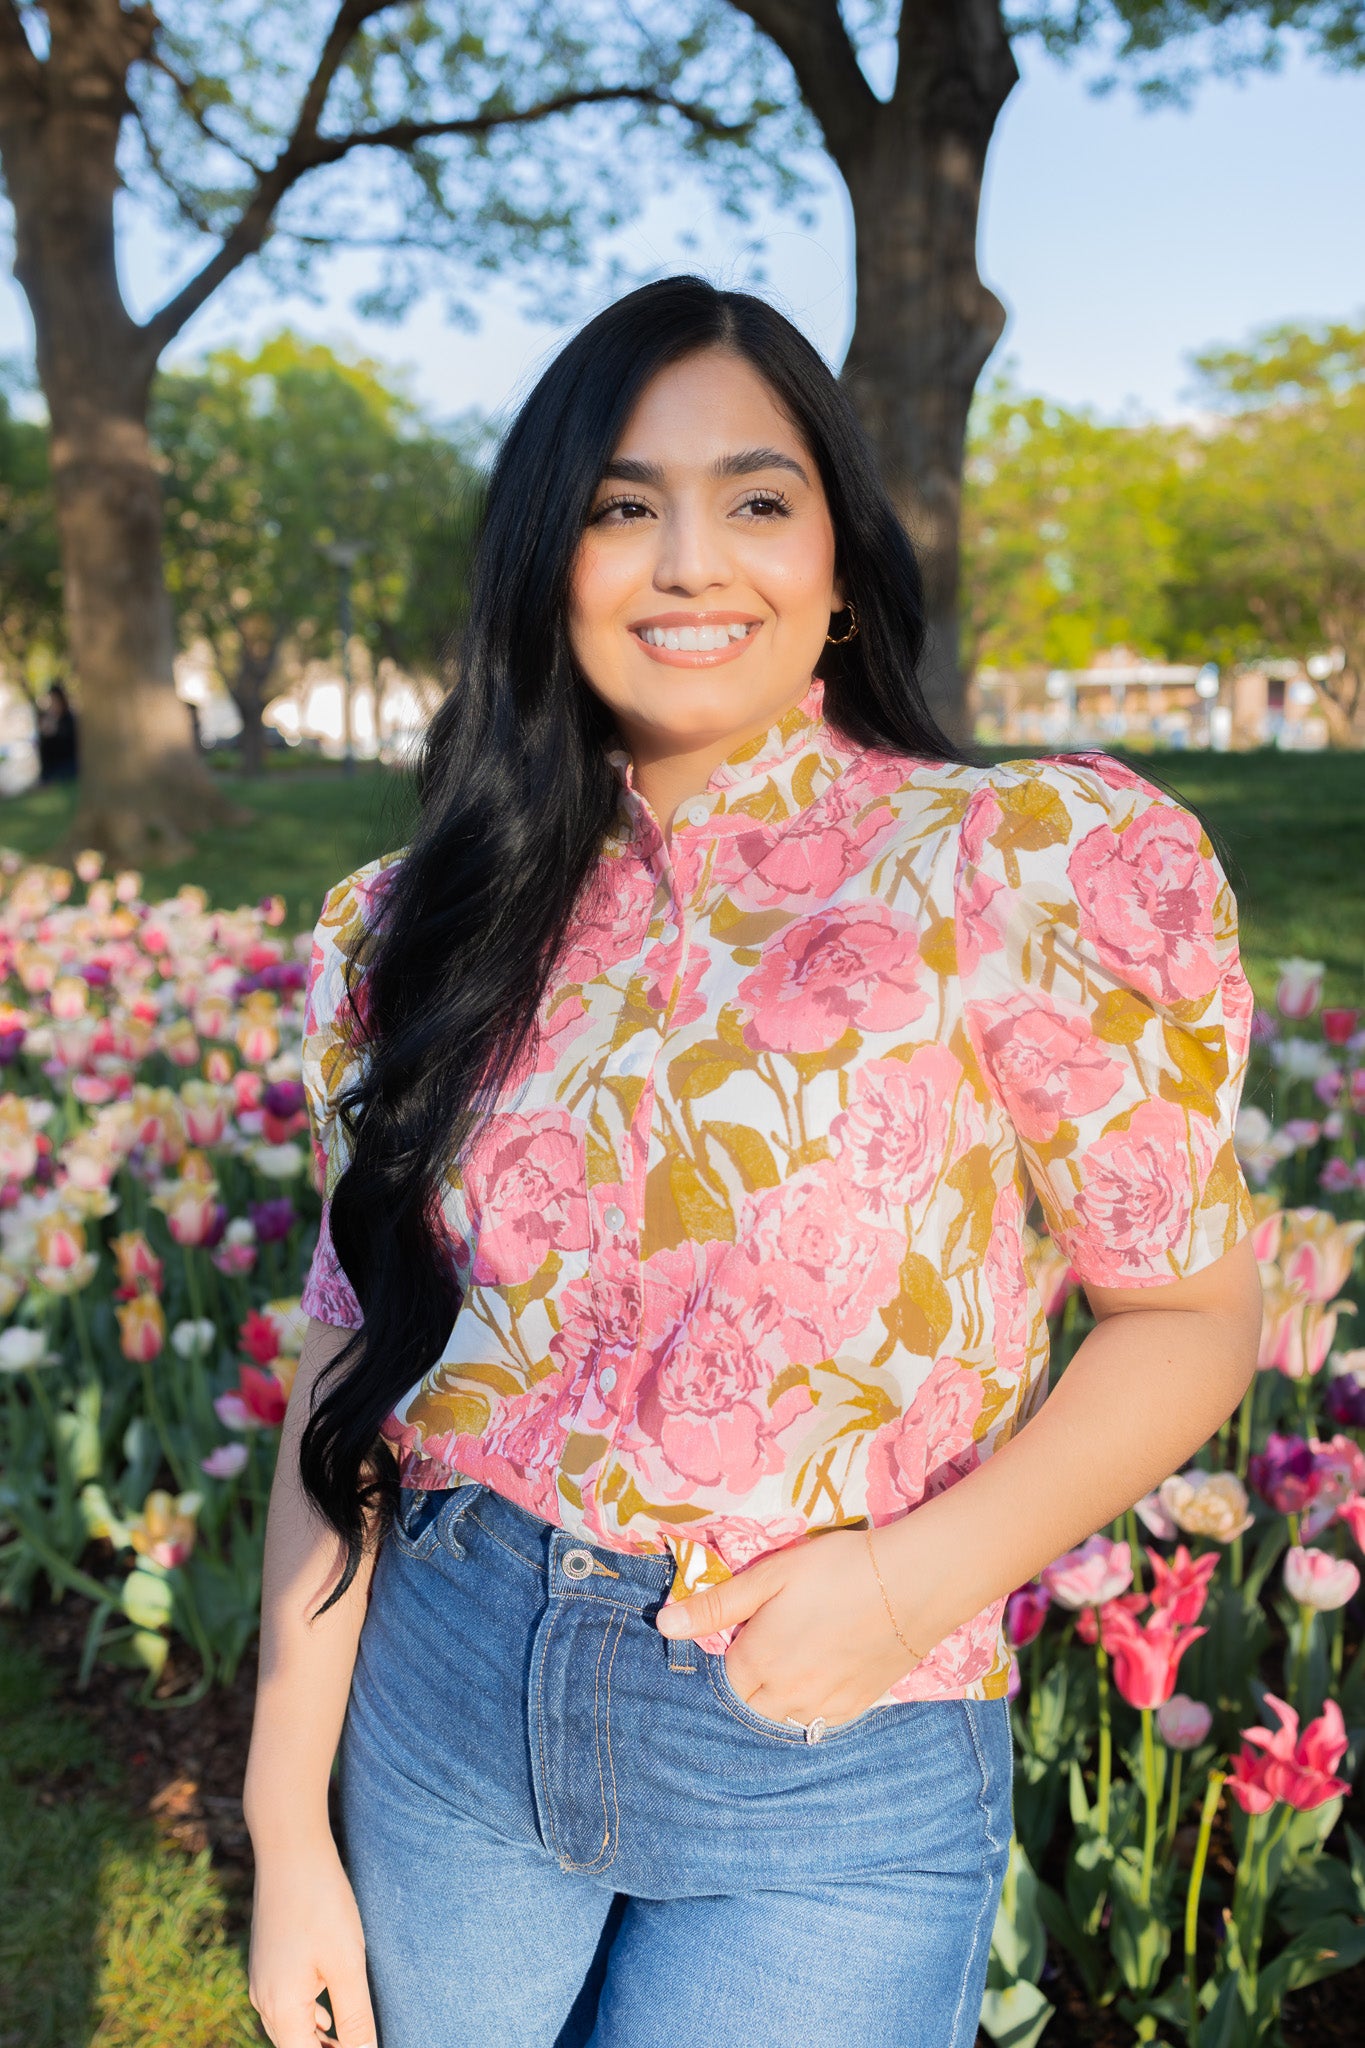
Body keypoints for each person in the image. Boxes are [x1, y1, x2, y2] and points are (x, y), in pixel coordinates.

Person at [244, 277, 1263, 2048]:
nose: (689, 560)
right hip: (447, 1700)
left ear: (844, 569)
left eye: (757, 498)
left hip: (829, 1744)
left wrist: (908, 1581)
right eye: (622, 504)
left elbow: (1191, 1308)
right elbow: (349, 1370)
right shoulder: (412, 928)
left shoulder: (1015, 872)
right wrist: (283, 1828)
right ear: (547, 565)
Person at [36, 682, 77, 782]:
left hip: (69, 766)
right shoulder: (50, 721)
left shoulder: (69, 720)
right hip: (53, 770)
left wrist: (55, 732)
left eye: (55, 700)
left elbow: (70, 745)